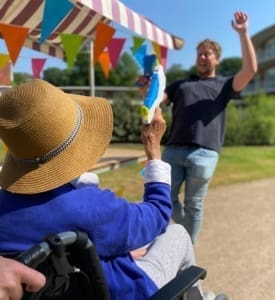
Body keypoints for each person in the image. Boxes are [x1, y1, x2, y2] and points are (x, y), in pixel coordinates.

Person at [0, 79, 227, 300]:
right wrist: (154, 152)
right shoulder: (90, 207)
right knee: (178, 234)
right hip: (127, 293)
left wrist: (116, 253)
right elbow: (157, 215)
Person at [140, 11, 257, 244]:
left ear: (217, 60)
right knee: (165, 197)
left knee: (194, 204)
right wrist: (147, 88)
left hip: (205, 153)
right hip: (173, 150)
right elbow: (156, 100)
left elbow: (250, 70)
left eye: (208, 53)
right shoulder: (181, 84)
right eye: (199, 53)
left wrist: (243, 33)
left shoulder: (224, 84)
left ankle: (186, 250)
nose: (202, 57)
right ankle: (182, 241)